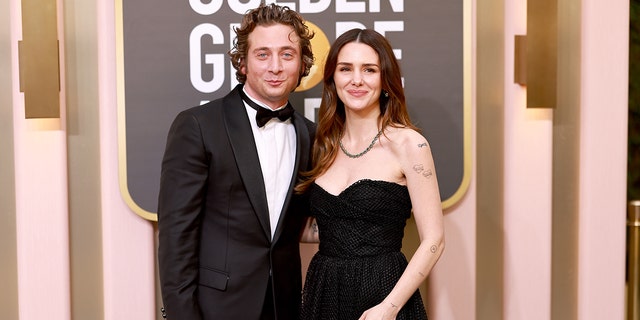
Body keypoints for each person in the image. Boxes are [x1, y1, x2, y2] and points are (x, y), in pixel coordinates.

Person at [156, 3, 315, 320]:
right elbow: (176, 237)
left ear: (302, 64)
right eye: (262, 54)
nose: (275, 67)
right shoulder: (199, 125)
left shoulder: (310, 135)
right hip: (216, 309)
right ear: (242, 62)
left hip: (284, 307)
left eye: (287, 54)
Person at [296, 28, 445, 320]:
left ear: (385, 79)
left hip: (384, 293)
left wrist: (388, 309)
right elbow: (325, 226)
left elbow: (434, 240)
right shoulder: (321, 145)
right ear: (332, 79)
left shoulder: (409, 144)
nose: (356, 80)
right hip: (324, 292)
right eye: (345, 69)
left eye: (369, 70)